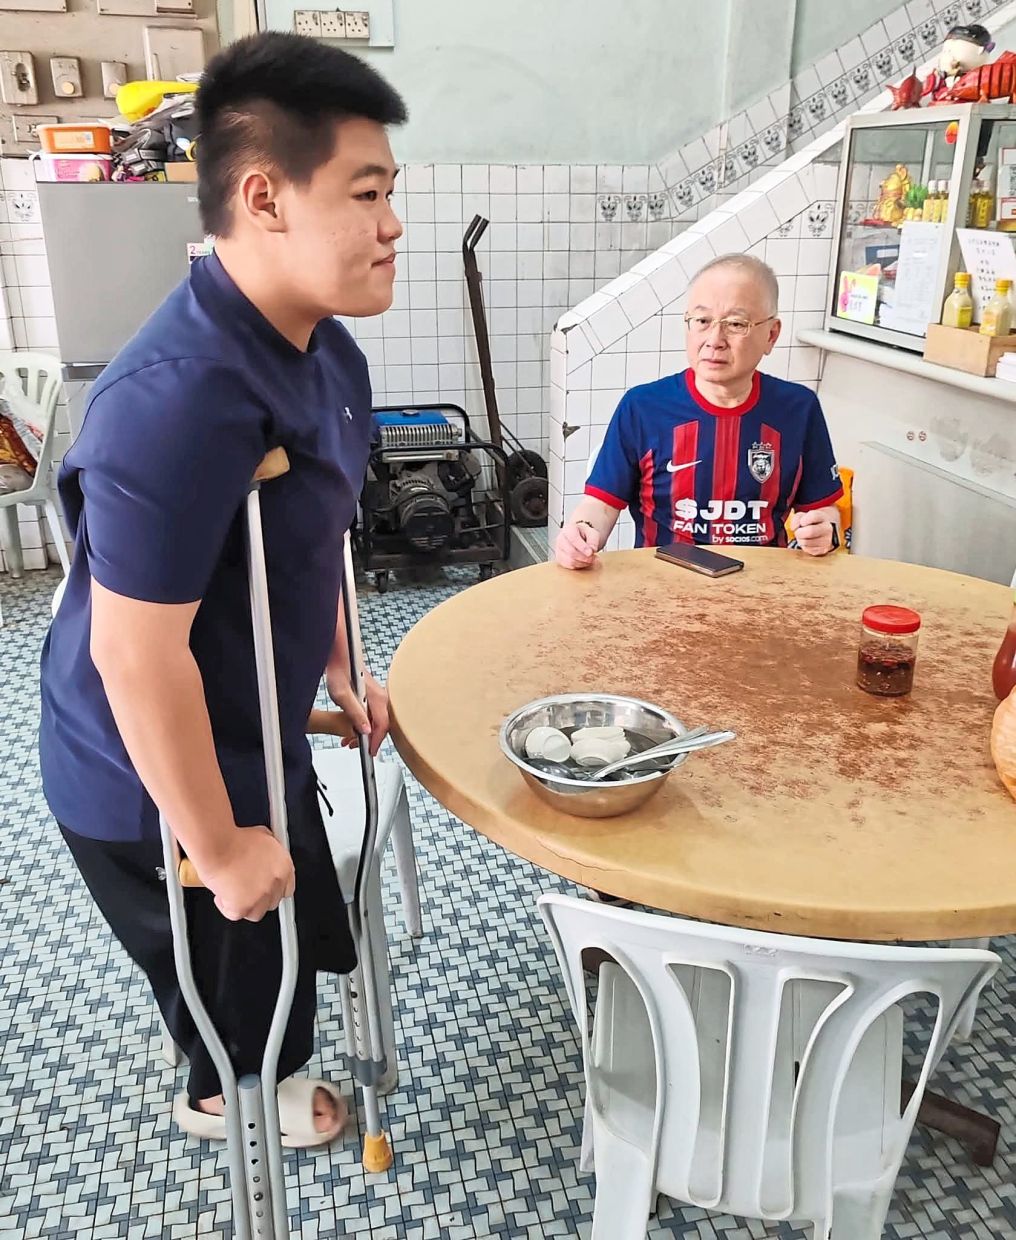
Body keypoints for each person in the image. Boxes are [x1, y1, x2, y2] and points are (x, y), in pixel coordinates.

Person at [38, 32, 406, 1146]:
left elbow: (314, 532)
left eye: (390, 192)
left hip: (247, 716)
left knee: (282, 920)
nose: (393, 224)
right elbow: (133, 653)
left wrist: (338, 663)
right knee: (236, 963)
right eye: (366, 193)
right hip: (146, 772)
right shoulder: (180, 397)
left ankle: (251, 1031)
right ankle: (225, 1096)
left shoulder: (323, 348)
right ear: (264, 197)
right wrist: (218, 842)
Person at [554, 254, 843, 569]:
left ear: (771, 335)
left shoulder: (799, 409)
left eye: (736, 324)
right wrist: (580, 533)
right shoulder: (642, 408)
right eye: (702, 321)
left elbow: (825, 510)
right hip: (660, 585)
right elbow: (600, 506)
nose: (714, 340)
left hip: (763, 587)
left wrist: (824, 531)